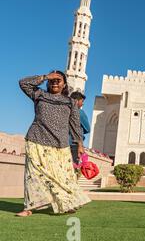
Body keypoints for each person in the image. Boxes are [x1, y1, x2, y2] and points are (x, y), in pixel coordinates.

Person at [16, 71, 91, 217]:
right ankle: (29, 208)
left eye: (59, 80)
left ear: (64, 84)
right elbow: (23, 83)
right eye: (52, 80)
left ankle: (66, 203)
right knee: (33, 175)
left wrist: (80, 144)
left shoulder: (70, 102)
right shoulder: (40, 95)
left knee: (62, 176)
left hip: (60, 144)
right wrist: (45, 77)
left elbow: (75, 125)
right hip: (36, 139)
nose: (55, 82)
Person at [69, 91, 90, 165]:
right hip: (74, 143)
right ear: (76, 101)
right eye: (82, 101)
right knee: (73, 166)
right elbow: (87, 129)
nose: (83, 103)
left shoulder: (64, 110)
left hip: (62, 142)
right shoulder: (80, 112)